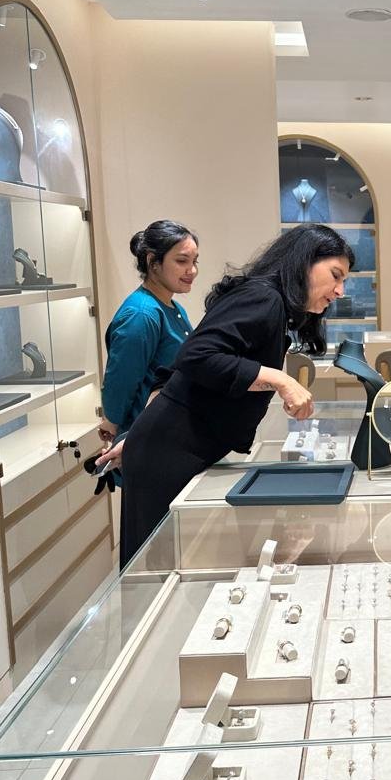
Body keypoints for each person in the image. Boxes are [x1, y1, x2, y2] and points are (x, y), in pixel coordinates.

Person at [101, 224, 353, 567]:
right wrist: (279, 379)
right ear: (304, 262)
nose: (339, 291)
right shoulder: (264, 298)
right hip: (168, 453)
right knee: (157, 570)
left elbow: (178, 371)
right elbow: (196, 356)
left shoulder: (271, 303)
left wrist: (141, 432)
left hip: (171, 445)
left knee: (169, 561)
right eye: (335, 276)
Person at [99, 221, 199, 446]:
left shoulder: (172, 307)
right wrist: (112, 421)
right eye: (182, 261)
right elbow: (120, 381)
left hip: (171, 432)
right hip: (147, 438)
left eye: (194, 261)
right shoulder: (142, 314)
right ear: (153, 261)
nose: (192, 270)